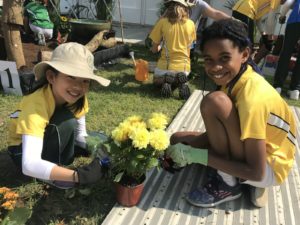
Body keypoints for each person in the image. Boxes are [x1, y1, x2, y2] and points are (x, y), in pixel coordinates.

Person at [166, 19, 296, 208]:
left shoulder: (253, 99)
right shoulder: (238, 77)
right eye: (208, 59)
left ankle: (229, 183)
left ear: (244, 54)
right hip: (256, 148)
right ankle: (234, 173)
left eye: (224, 58)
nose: (215, 67)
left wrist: (195, 155)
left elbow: (257, 172)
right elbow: (225, 128)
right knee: (177, 139)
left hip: (268, 167)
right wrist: (186, 148)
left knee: (214, 102)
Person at [7, 42, 111, 188]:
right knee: (67, 121)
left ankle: (62, 161)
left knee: (102, 140)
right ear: (51, 77)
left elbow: (81, 134)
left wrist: (93, 146)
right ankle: (54, 173)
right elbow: (29, 164)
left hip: (49, 136)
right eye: (71, 77)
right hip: (21, 149)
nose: (78, 87)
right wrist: (78, 176)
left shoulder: (78, 97)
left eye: (85, 80)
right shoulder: (36, 105)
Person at [149, 0, 196, 100]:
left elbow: (154, 49)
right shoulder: (191, 24)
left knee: (156, 81)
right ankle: (180, 81)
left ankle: (167, 78)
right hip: (184, 67)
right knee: (179, 75)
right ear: (185, 8)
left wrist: (156, 48)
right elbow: (190, 46)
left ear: (169, 8)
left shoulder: (162, 22)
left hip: (166, 65)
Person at [273, 0, 300, 100]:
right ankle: (295, 90)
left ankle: (278, 86)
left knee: (286, 53)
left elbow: (288, 3)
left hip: (295, 21)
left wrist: (282, 16)